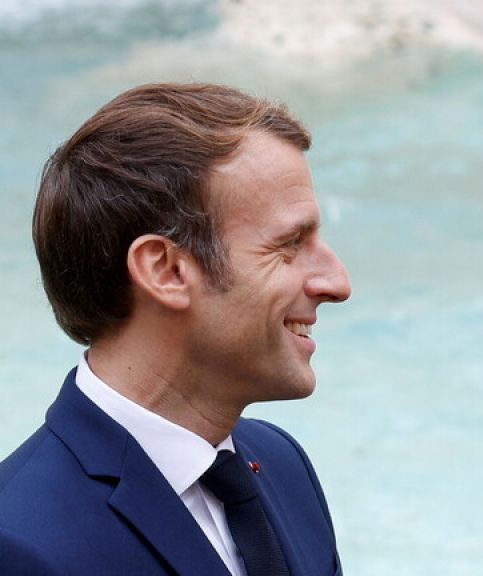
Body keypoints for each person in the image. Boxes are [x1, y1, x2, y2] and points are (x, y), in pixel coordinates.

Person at [0, 83, 350, 575]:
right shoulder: (18, 544)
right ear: (165, 271)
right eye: (290, 243)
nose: (337, 283)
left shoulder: (283, 466)